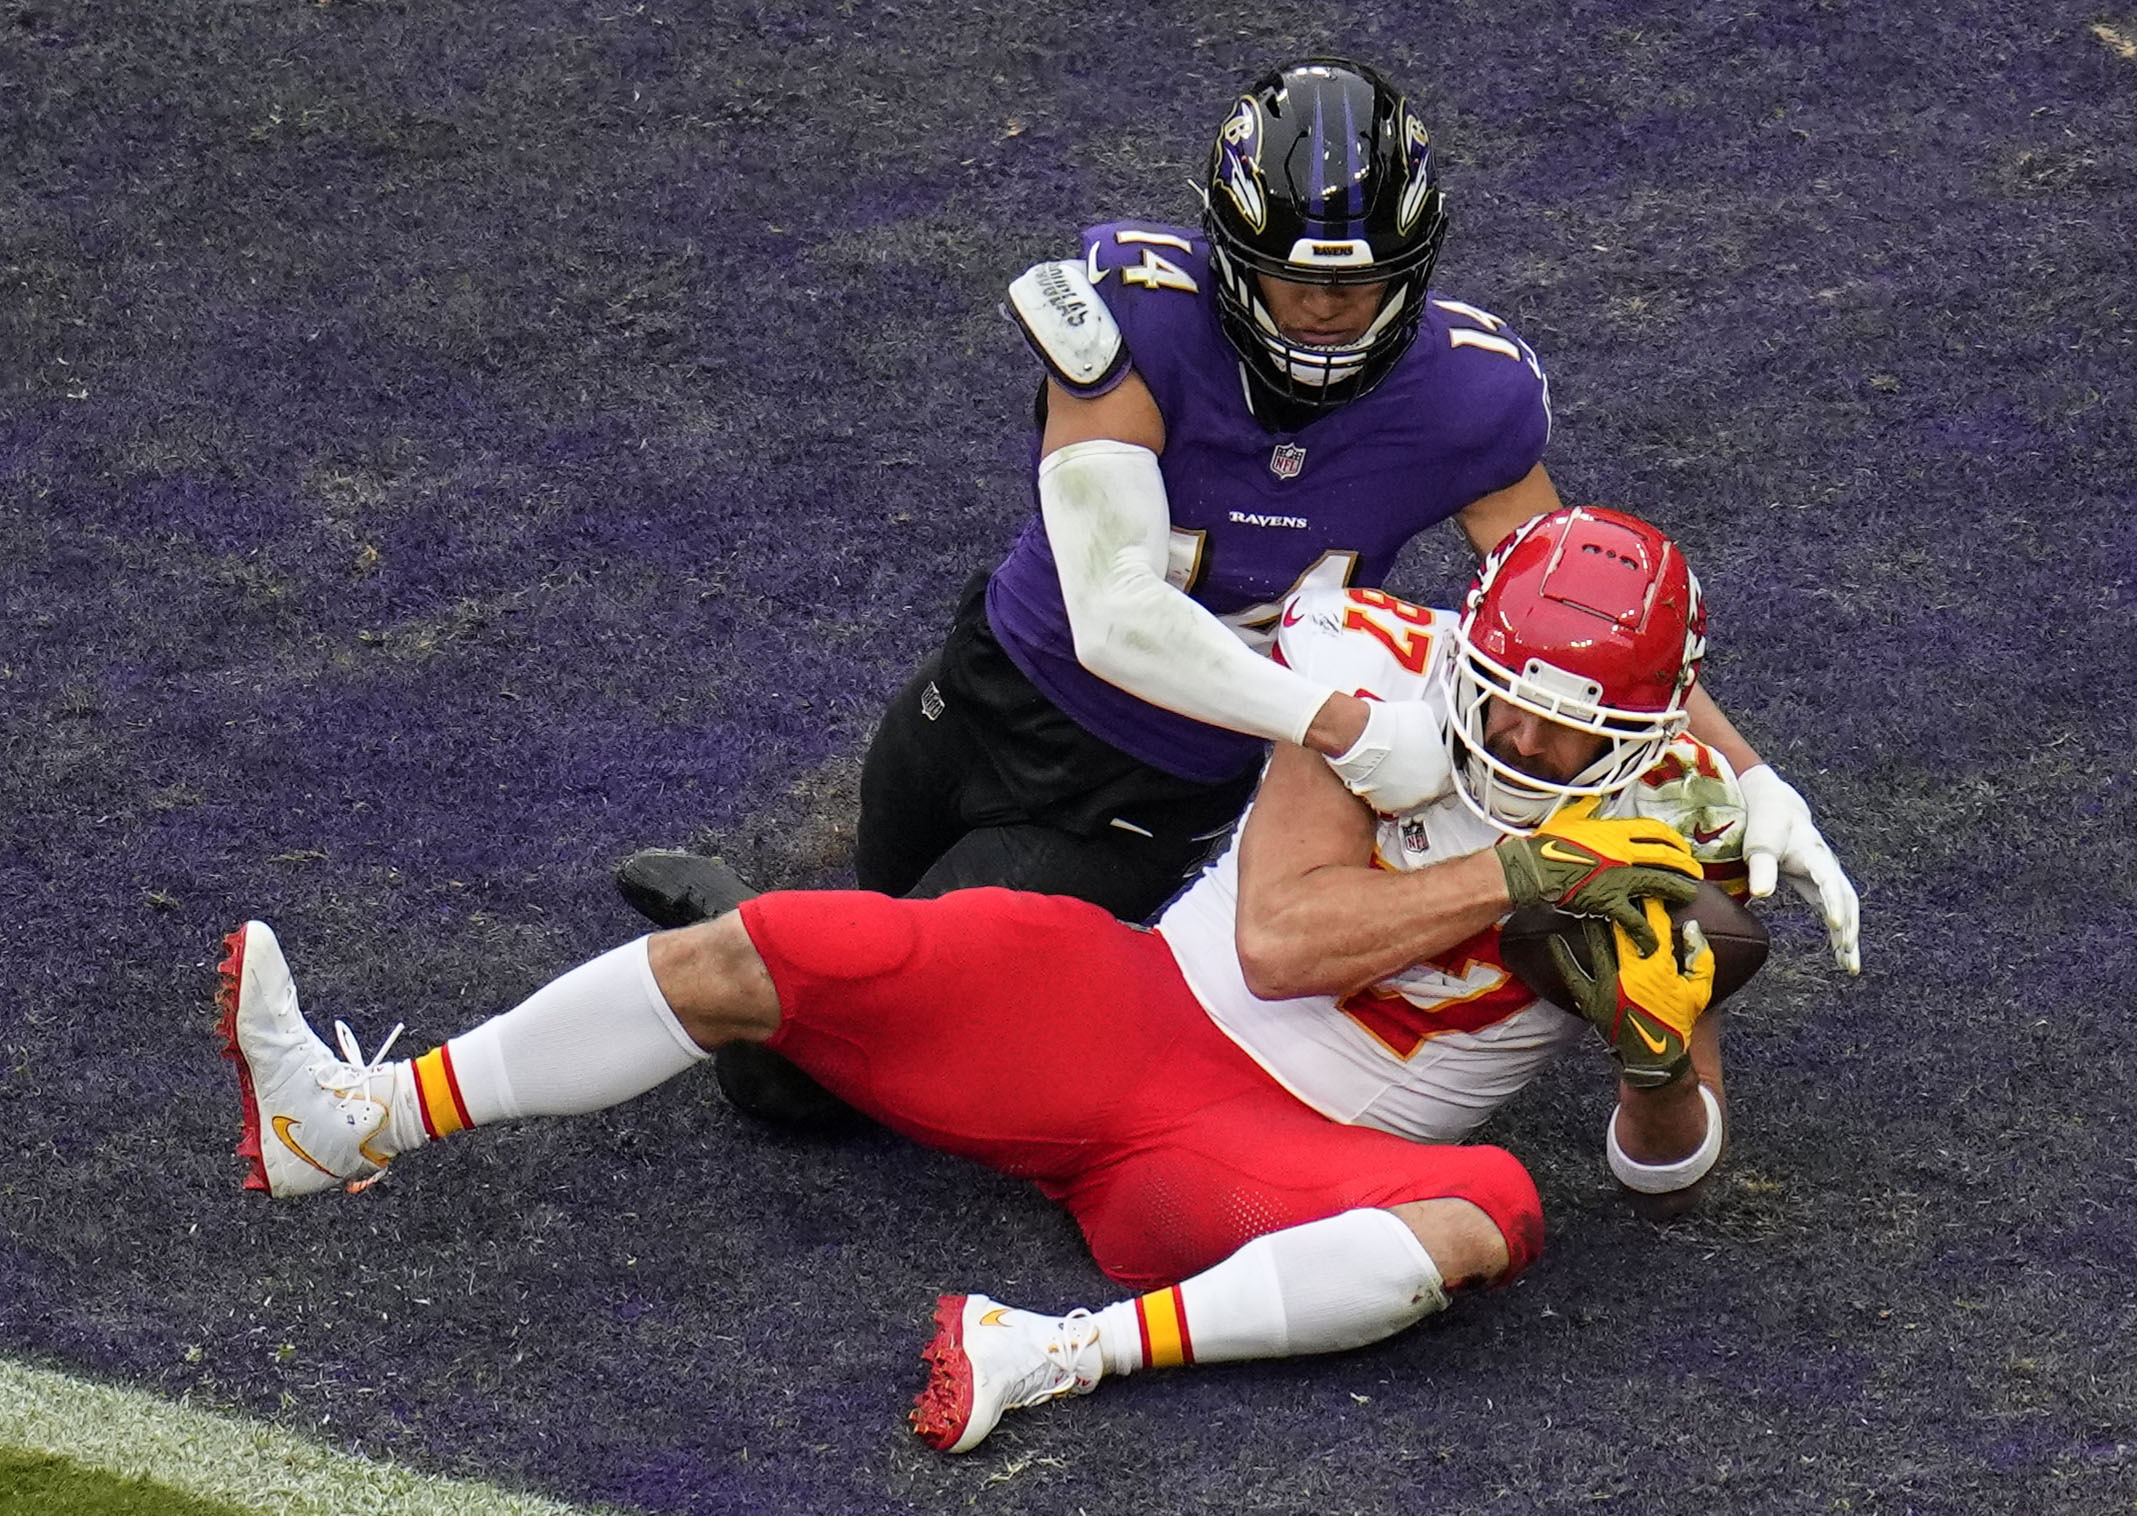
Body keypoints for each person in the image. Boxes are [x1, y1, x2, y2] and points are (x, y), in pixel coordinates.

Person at [220, 507, 1785, 1454]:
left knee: (1489, 1213)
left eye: (1559, 736)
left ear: (1652, 731)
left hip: (1270, 1157)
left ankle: (1053, 1352)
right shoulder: (1377, 663)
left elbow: (1667, 1183)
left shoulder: (1678, 844)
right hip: (1127, 1010)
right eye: (1499, 702)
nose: (1514, 745)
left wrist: (1653, 1066)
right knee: (776, 945)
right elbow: (1277, 940)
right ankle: (356, 1121)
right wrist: (1518, 869)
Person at [618, 57, 1860, 1122]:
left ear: (1414, 269)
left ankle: (742, 926)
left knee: (806, 1084)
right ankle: (758, 922)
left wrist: (1747, 773)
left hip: (1153, 792)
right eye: (1291, 276)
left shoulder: (1466, 399)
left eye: (1358, 281)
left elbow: (1573, 622)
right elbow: (1114, 617)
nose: (1323, 309)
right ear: (1224, 251)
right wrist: (1345, 723)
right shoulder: (1138, 328)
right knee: (845, 945)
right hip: (983, 694)